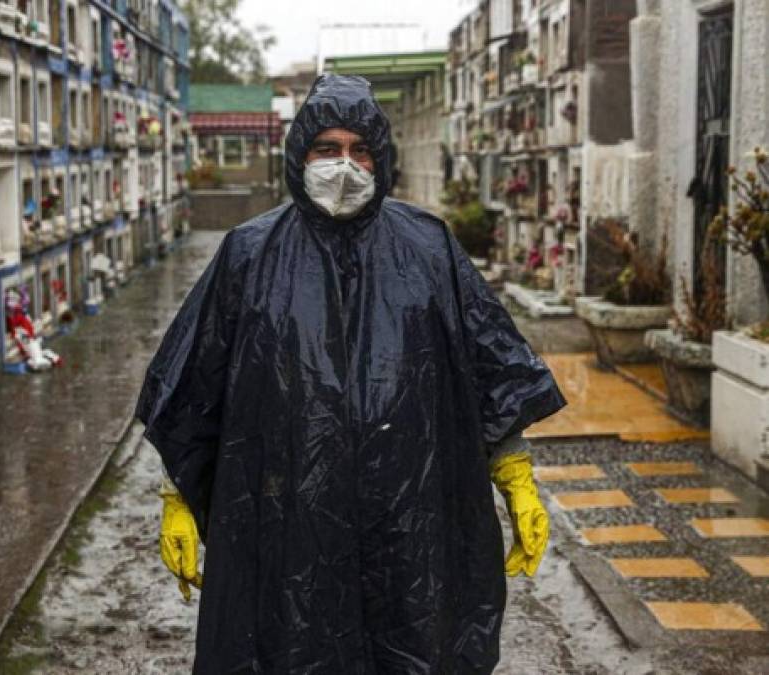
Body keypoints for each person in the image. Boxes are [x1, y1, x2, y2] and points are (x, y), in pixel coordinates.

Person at [136, 74, 566, 674]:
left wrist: (516, 474)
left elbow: (486, 369)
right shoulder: (249, 255)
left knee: (412, 650)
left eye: (360, 149)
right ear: (301, 155)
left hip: (409, 530)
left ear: (381, 157)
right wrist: (177, 496)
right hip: (288, 532)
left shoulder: (428, 248)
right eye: (327, 149)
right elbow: (195, 386)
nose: (345, 166)